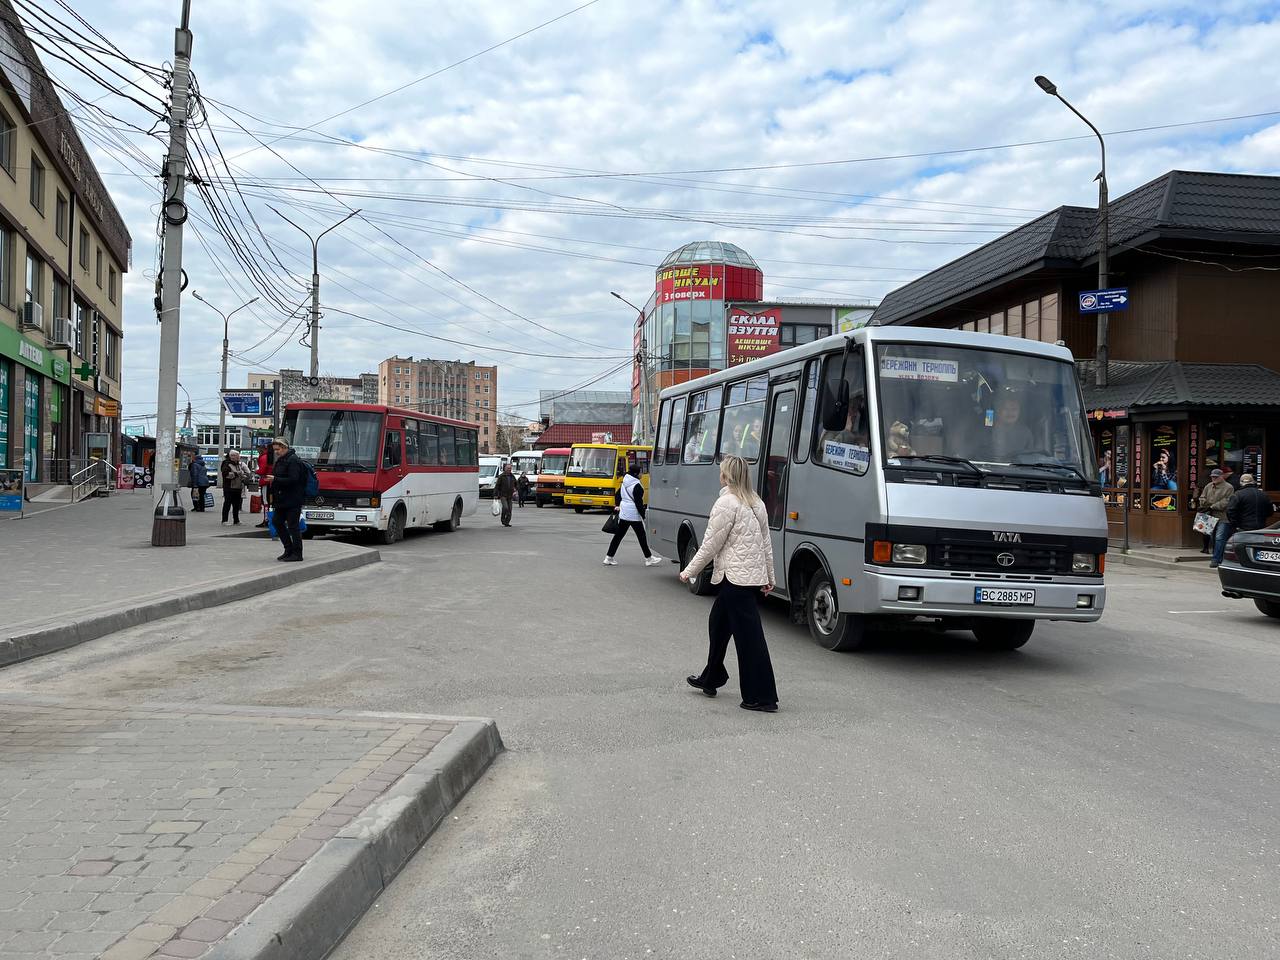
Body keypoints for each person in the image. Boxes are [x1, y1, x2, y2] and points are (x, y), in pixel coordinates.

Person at [680, 455, 779, 713]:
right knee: (719, 624)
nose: (719, 475)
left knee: (750, 640)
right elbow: (767, 544)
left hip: (736, 580)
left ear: (727, 476)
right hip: (745, 579)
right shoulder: (756, 502)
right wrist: (769, 577)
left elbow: (711, 544)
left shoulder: (726, 502)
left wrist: (689, 571)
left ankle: (762, 697)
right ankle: (711, 678)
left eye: (721, 472)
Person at [604, 463, 662, 566]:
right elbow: (639, 504)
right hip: (633, 514)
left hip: (624, 513)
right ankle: (648, 558)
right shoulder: (637, 485)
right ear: (636, 474)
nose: (642, 474)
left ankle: (609, 557)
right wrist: (644, 516)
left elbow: (618, 495)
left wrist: (618, 505)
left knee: (618, 536)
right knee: (641, 536)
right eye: (640, 472)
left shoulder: (624, 482)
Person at [1215, 473, 1275, 569]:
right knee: (1258, 548)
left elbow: (1230, 511)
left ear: (1241, 483)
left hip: (1243, 528)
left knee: (1242, 548)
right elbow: (1270, 511)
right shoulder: (1263, 495)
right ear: (1253, 482)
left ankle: (1244, 566)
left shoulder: (1238, 495)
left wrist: (1235, 524)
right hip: (1261, 527)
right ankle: (1259, 566)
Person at [266, 437, 308, 562]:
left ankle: (297, 553)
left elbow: (294, 479)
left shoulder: (293, 460)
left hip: (292, 499)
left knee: (293, 526)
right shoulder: (282, 460)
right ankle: (288, 549)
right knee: (277, 522)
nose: (276, 452)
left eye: (278, 449)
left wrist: (275, 479)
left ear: (284, 448)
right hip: (281, 499)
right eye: (275, 450)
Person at [1197, 468, 1232, 554]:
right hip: (1209, 514)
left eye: (1216, 477)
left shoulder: (1228, 487)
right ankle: (1211, 551)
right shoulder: (1208, 485)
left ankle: (1217, 556)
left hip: (1222, 516)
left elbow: (1226, 501)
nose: (1214, 478)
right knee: (1207, 534)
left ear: (1222, 476)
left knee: (1219, 537)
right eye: (1212, 477)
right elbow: (1202, 496)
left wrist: (1212, 506)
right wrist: (1203, 504)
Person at [990, 393, 1033, 461]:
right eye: (1006, 409)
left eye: (1014, 409)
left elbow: (1030, 457)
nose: (1010, 412)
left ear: (1019, 412)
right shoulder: (989, 431)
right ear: (999, 411)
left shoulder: (1025, 432)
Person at [220, 450, 252, 525]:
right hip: (229, 487)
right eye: (237, 456)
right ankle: (224, 520)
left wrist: (243, 476)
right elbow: (226, 475)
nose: (239, 458)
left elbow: (240, 473)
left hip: (238, 487)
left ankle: (236, 520)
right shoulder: (226, 464)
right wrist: (237, 473)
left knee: (236, 505)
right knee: (227, 503)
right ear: (232, 456)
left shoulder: (237, 464)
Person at [255, 445, 275, 528]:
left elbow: (262, 470)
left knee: (266, 501)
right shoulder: (272, 457)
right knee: (270, 502)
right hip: (272, 481)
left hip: (266, 481)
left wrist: (256, 471)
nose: (258, 451)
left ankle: (266, 520)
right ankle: (269, 519)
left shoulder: (264, 457)